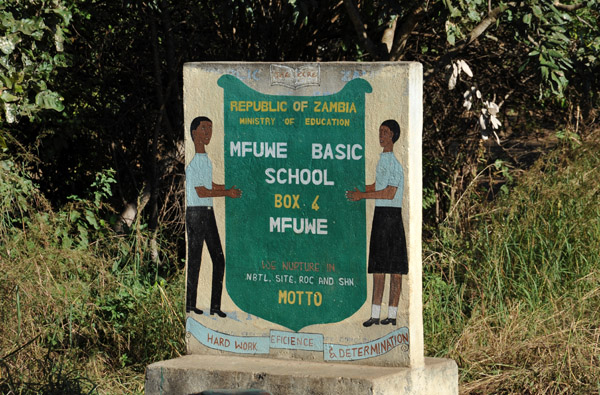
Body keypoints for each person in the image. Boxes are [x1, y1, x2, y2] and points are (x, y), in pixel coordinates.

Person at [346, 119, 408, 327]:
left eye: (385, 132)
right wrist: (358, 189)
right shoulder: (382, 160)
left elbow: (389, 193)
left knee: (395, 270)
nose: (381, 135)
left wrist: (362, 196)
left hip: (393, 217)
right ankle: (374, 313)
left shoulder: (396, 165)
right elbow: (377, 186)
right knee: (378, 267)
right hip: (380, 216)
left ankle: (392, 314)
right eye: (380, 131)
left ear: (393, 136)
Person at [186, 116, 241, 318]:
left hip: (206, 213)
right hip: (196, 212)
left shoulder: (205, 159)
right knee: (195, 260)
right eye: (203, 128)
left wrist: (227, 189)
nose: (208, 132)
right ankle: (190, 304)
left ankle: (215, 306)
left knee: (218, 259)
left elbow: (209, 186)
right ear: (194, 134)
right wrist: (226, 193)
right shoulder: (193, 164)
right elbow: (201, 191)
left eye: (210, 128)